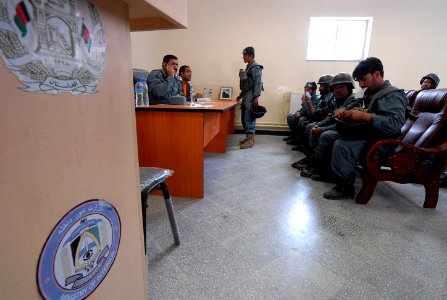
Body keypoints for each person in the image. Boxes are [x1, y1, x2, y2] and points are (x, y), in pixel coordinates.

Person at [323, 57, 407, 200]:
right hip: (367, 135)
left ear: (377, 74)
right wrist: (342, 110)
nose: (361, 84)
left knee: (342, 145)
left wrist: (364, 117)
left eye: (363, 79)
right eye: (359, 81)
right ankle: (332, 173)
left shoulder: (393, 95)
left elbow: (395, 124)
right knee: (328, 136)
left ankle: (345, 186)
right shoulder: (368, 92)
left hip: (384, 141)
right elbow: (351, 105)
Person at [298, 73, 356, 178]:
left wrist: (321, 128)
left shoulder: (351, 101)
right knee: (312, 127)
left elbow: (339, 124)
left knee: (325, 135)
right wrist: (318, 125)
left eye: (341, 87)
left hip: (345, 131)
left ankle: (320, 167)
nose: (337, 90)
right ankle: (313, 160)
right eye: (335, 88)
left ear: (349, 88)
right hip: (335, 127)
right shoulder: (337, 100)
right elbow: (330, 117)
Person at [237, 46, 264, 149]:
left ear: (251, 56)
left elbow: (258, 82)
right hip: (247, 94)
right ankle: (248, 138)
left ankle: (250, 139)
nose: (243, 57)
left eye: (244, 55)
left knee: (249, 116)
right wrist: (240, 95)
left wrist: (256, 97)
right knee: (245, 115)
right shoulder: (248, 67)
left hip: (251, 95)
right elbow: (246, 84)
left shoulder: (256, 67)